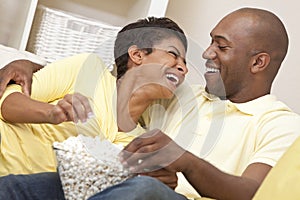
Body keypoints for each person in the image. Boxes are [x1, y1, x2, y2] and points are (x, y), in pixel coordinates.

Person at [112, 7, 300, 200]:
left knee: (143, 189)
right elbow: (117, 91)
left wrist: (186, 162)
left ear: (258, 63)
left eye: (222, 47)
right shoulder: (178, 95)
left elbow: (257, 193)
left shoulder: (282, 125)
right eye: (211, 42)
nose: (207, 53)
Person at [0, 17, 188, 199]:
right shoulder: (89, 68)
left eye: (185, 62)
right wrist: (52, 113)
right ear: (137, 55)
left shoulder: (138, 142)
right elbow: (7, 102)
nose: (183, 68)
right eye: (173, 54)